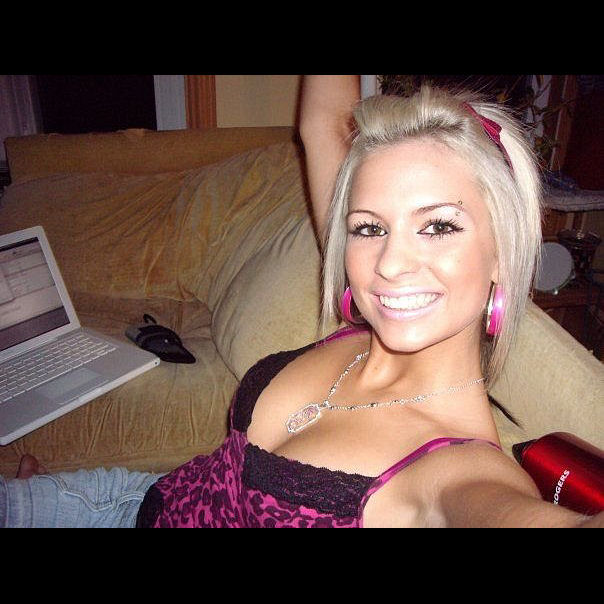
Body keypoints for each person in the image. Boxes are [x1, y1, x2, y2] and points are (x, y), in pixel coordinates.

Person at [1, 76, 602, 527]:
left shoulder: (461, 472)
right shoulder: (363, 320)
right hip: (121, 497)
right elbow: (323, 121)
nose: (389, 264)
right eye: (369, 228)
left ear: (503, 253)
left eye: (438, 226)